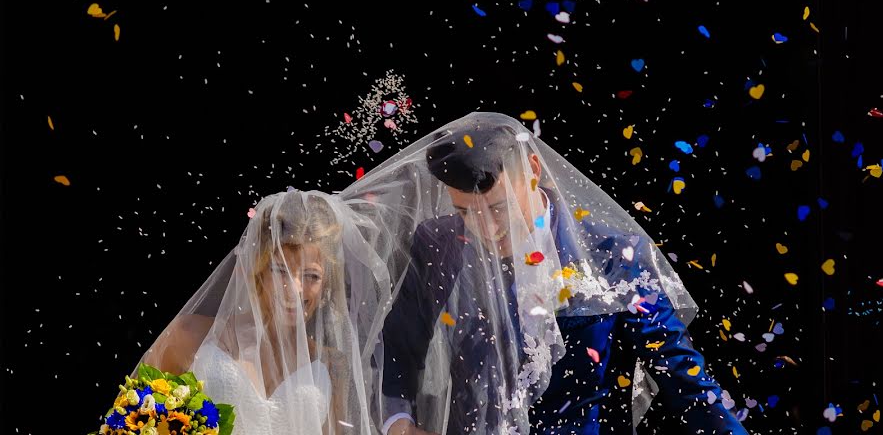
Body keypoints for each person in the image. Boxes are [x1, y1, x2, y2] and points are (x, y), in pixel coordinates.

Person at [340, 112, 749, 435]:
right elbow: (395, 349)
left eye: (498, 209)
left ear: (533, 168)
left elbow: (682, 375)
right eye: (466, 214)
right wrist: (400, 425)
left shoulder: (612, 254)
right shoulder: (438, 245)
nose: (487, 229)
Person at [138, 190, 392, 435]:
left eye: (311, 275)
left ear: (326, 284)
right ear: (258, 270)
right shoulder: (188, 336)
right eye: (280, 270)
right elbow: (135, 420)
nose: (294, 288)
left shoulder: (333, 366)